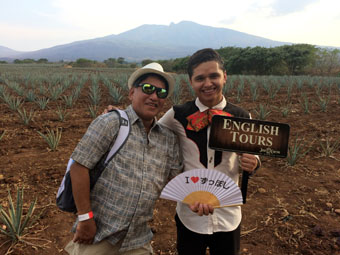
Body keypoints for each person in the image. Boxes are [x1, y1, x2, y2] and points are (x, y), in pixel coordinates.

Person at [64, 62, 183, 255]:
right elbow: (79, 166)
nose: (154, 96)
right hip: (100, 234)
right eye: (147, 88)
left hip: (138, 238)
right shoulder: (111, 123)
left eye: (161, 93)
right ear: (131, 93)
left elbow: (178, 180)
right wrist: (85, 218)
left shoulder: (168, 139)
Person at [159, 48, 260, 255]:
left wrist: (254, 162)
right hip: (189, 214)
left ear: (224, 77)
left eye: (214, 76)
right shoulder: (178, 114)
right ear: (191, 82)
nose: (207, 84)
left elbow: (253, 153)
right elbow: (149, 131)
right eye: (200, 78)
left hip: (228, 215)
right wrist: (118, 115)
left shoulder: (241, 116)